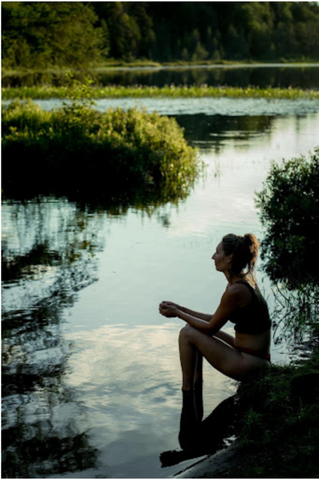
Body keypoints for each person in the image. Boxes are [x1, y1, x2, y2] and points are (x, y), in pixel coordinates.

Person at [159, 233, 271, 450]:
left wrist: (177, 314)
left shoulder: (236, 290)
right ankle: (195, 388)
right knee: (192, 329)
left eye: (218, 252)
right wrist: (180, 308)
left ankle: (188, 392)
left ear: (229, 258)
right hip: (252, 355)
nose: (213, 256)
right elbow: (214, 319)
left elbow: (211, 327)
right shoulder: (241, 282)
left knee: (187, 334)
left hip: (251, 364)